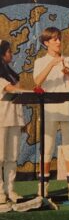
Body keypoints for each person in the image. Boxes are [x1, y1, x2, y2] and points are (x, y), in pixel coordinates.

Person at [33, 27, 69, 199]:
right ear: (46, 43)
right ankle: (43, 185)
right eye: (54, 39)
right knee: (47, 149)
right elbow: (37, 82)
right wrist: (51, 64)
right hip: (49, 110)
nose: (59, 42)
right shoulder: (40, 61)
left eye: (59, 38)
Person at [0, 40, 25, 203]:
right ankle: (0, 192)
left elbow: (17, 94)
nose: (12, 54)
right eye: (9, 51)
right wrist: (30, 91)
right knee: (0, 156)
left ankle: (10, 190)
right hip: (1, 119)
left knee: (12, 157)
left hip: (14, 119)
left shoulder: (11, 73)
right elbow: (9, 89)